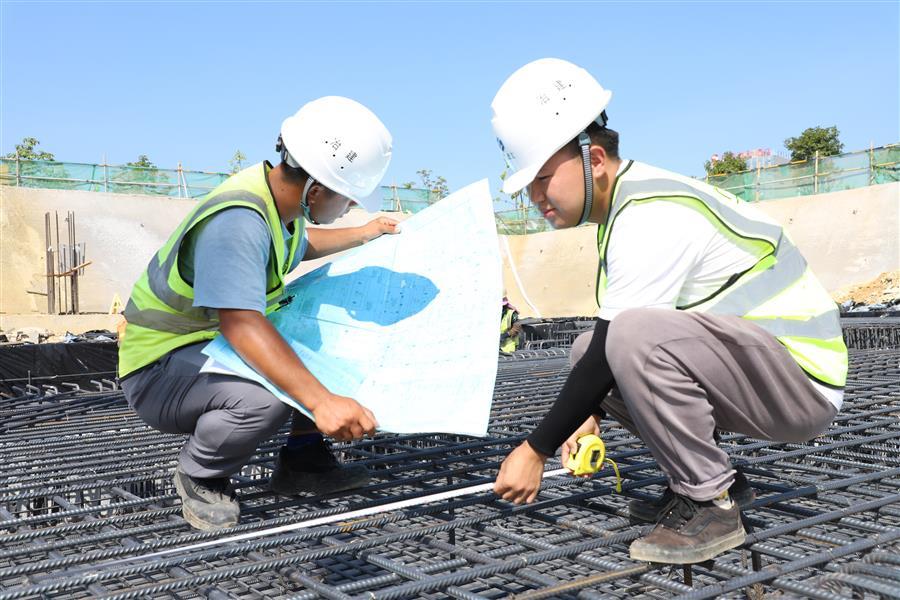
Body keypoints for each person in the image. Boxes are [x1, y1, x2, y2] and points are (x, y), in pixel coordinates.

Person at [490, 59, 847, 564]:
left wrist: (536, 449)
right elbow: (602, 351)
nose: (535, 197)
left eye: (543, 178)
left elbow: (622, 340)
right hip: (762, 369)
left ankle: (710, 504)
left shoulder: (651, 214)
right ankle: (715, 480)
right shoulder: (629, 205)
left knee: (630, 335)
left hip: (802, 382)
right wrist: (588, 414)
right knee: (589, 347)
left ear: (594, 159)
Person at [119, 96, 398, 530]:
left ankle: (303, 460)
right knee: (267, 397)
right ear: (316, 190)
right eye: (348, 199)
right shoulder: (238, 222)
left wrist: (364, 233)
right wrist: (321, 402)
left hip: (209, 350)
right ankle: (200, 474)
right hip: (159, 368)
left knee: (326, 343)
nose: (350, 207)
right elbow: (241, 323)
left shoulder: (280, 206)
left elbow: (299, 245)